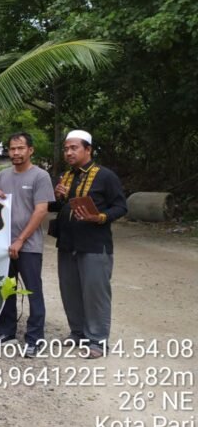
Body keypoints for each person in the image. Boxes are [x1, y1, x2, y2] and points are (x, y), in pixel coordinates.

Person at [51, 129, 127, 359]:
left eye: (74, 148)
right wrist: (57, 196)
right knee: (70, 291)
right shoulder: (65, 176)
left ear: (88, 149)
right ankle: (78, 333)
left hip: (94, 244)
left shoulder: (105, 176)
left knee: (95, 294)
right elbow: (56, 207)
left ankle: (98, 340)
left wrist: (100, 217)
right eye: (66, 148)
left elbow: (121, 207)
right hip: (67, 243)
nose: (68, 152)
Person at [0, 132, 55, 357]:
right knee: (6, 290)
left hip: (29, 246)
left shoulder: (40, 176)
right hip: (3, 245)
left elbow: (41, 210)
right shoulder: (3, 176)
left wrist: (20, 239)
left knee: (33, 291)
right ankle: (6, 331)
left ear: (30, 150)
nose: (16, 152)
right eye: (12, 148)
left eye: (20, 148)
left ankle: (34, 338)